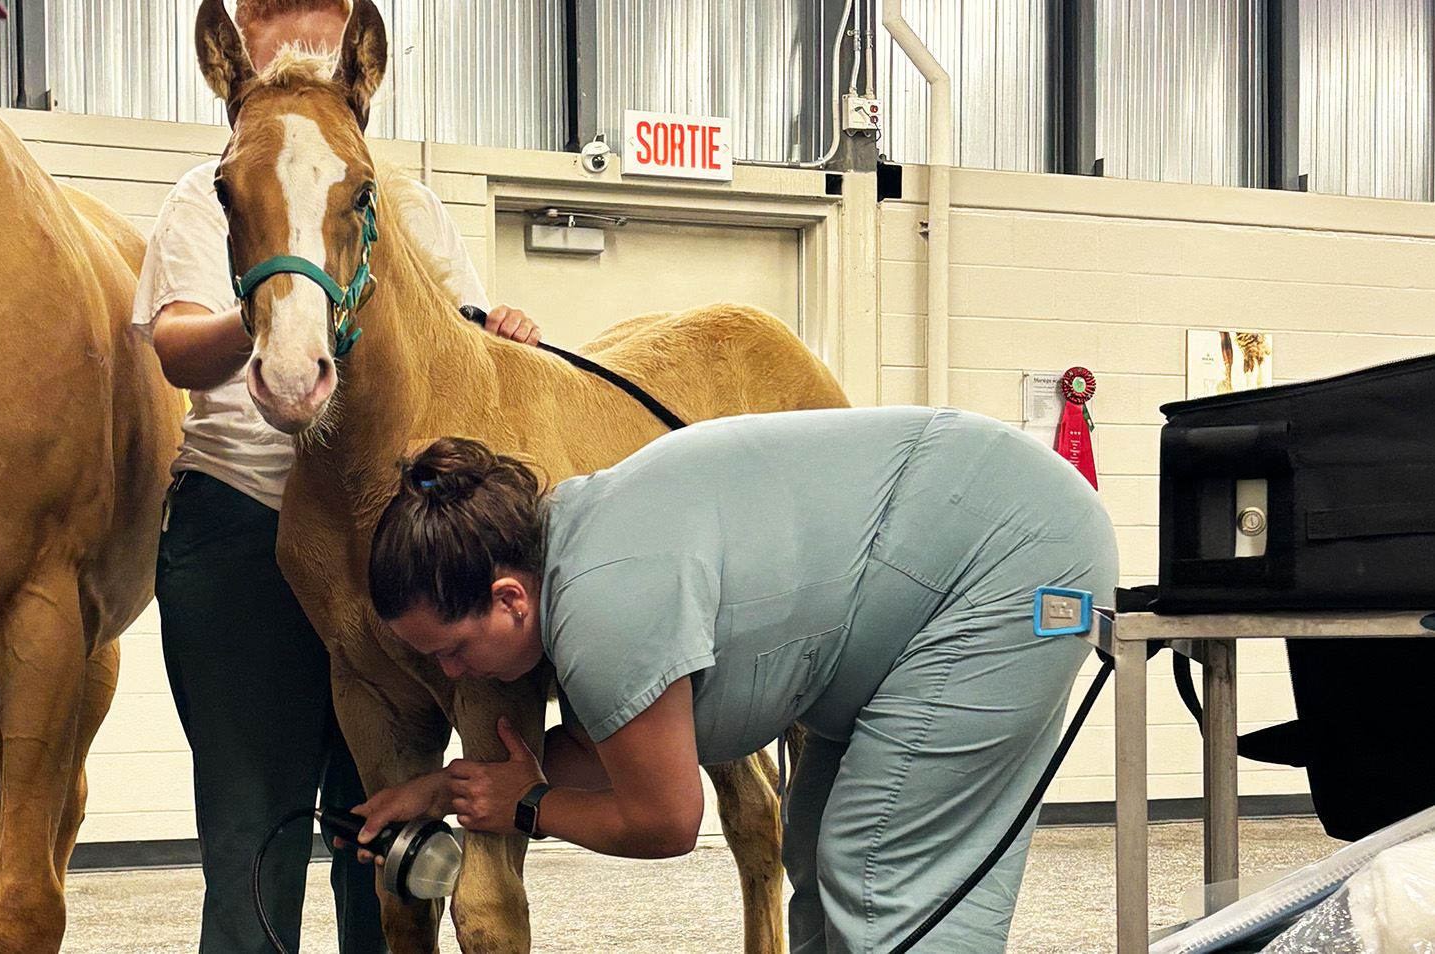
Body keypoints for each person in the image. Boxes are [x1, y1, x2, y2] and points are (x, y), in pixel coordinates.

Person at [350, 406, 1119, 954]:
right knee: (820, 846)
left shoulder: (603, 605)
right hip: (967, 554)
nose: (451, 675)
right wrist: (437, 793)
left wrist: (534, 809)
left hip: (1009, 560)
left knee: (879, 869)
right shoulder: (568, 548)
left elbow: (665, 820)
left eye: (450, 650)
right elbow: (609, 759)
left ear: (508, 598)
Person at [131, 1, 539, 951]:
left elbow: (459, 349)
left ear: (361, 70)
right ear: (238, 55)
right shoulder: (210, 194)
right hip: (242, 522)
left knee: (387, 834)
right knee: (252, 833)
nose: (301, 64)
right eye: (280, 43)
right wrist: (280, 314)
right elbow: (179, 349)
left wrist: (503, 335)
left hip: (389, 537)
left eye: (324, 41)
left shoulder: (405, 204)